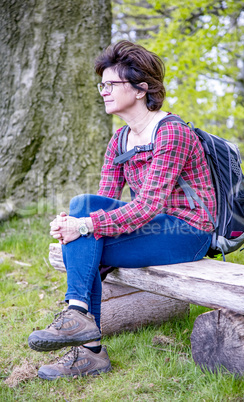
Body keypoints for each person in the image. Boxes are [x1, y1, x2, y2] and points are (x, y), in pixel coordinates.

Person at [28, 40, 216, 380]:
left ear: (141, 89)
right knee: (83, 207)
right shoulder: (120, 140)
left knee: (87, 232)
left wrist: (82, 227)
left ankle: (87, 345)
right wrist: (74, 222)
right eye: (102, 84)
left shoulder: (172, 132)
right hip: (153, 225)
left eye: (111, 84)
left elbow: (146, 206)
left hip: (187, 231)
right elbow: (102, 200)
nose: (103, 91)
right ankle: (79, 321)